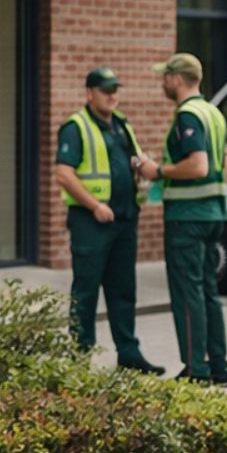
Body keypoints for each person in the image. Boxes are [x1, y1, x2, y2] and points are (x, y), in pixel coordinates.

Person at [134, 52, 227, 387]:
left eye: (165, 76)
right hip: (214, 214)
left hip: (187, 220)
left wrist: (156, 170)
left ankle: (195, 370)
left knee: (187, 294)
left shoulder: (188, 116)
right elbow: (226, 168)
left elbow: (199, 165)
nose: (162, 82)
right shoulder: (214, 114)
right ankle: (219, 368)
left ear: (177, 79)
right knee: (208, 292)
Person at [54, 68, 163, 372]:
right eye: (105, 90)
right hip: (91, 223)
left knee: (123, 291)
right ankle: (79, 358)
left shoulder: (122, 125)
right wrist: (94, 206)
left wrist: (142, 167)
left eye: (115, 89)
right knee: (86, 292)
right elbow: (63, 174)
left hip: (125, 220)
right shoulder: (75, 127)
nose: (112, 95)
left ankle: (129, 355)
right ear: (89, 93)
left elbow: (133, 159)